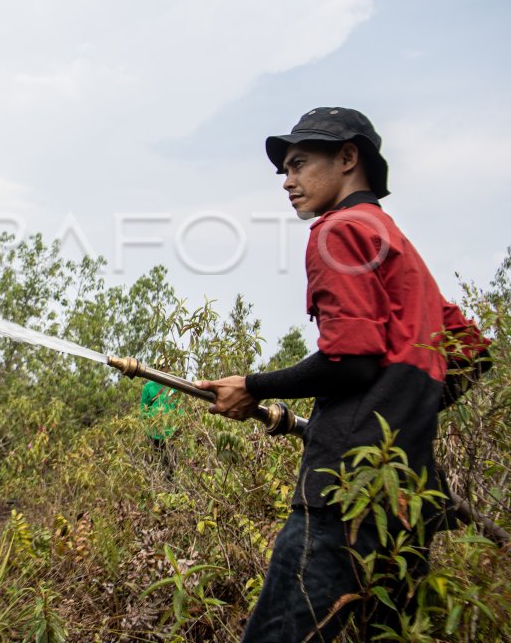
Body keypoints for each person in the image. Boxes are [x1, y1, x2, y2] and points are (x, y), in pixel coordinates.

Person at [195, 107, 489, 641]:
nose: (287, 182)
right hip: (408, 503)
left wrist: (251, 387)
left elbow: (349, 361)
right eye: (285, 170)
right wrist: (402, 407)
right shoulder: (398, 247)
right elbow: (472, 354)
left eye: (299, 163)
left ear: (349, 158)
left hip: (342, 494)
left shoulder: (338, 230)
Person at [140, 380, 181, 475]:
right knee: (156, 463)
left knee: (172, 464)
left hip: (171, 433)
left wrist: (179, 425)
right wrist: (146, 426)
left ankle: (171, 486)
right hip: (154, 433)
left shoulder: (173, 384)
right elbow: (143, 409)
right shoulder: (148, 386)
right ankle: (157, 484)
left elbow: (178, 407)